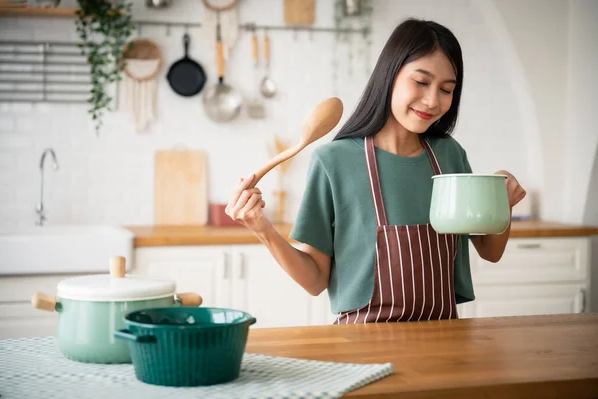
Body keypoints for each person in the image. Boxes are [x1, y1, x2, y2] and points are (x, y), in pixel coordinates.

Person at [225, 18, 526, 324]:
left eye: (446, 89)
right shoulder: (334, 161)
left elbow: (490, 250)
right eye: (421, 82)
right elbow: (315, 280)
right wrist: (262, 228)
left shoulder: (450, 155)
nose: (433, 100)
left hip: (443, 339)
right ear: (390, 75)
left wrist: (502, 200)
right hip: (362, 342)